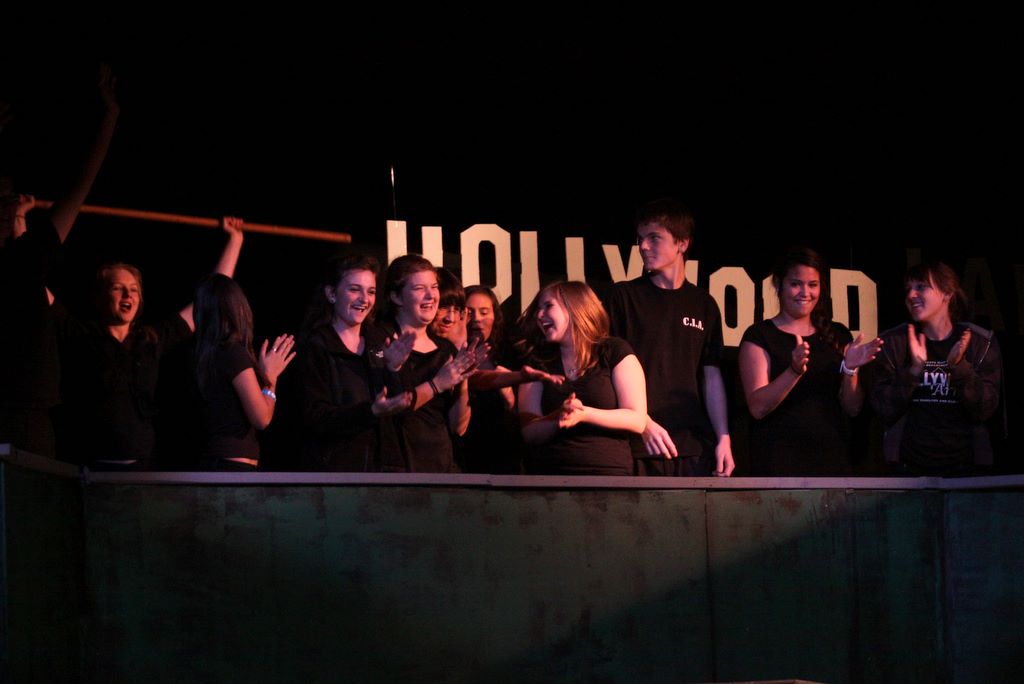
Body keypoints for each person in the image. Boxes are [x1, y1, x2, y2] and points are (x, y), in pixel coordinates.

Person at [54, 218, 245, 469]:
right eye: (117, 288)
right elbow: (31, 275)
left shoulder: (150, 339)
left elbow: (209, 298)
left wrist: (235, 240)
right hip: (93, 468)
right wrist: (18, 220)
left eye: (134, 289)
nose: (128, 294)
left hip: (141, 466)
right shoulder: (80, 334)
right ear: (100, 296)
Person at [0, 65, 119, 457]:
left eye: (9, 196)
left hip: (31, 417)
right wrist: (109, 118)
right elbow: (79, 186)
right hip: (21, 418)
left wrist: (109, 117)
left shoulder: (25, 258)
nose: (8, 204)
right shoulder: (23, 260)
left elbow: (78, 189)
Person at [605, 198, 734, 476]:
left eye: (654, 238)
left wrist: (723, 437)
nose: (643, 246)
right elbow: (606, 370)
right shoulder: (623, 297)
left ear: (682, 243)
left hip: (692, 446)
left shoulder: (704, 304)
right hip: (638, 443)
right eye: (640, 239)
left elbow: (711, 376)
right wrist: (642, 422)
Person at [738, 247, 883, 476]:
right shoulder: (760, 335)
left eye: (812, 285)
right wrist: (794, 371)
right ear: (779, 284)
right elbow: (757, 407)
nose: (805, 292)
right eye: (796, 284)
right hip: (777, 465)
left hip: (832, 463)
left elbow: (853, 408)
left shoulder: (837, 335)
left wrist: (850, 369)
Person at [868, 261, 1002, 476]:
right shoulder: (894, 342)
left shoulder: (979, 342)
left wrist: (959, 367)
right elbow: (883, 408)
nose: (911, 295)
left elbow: (984, 409)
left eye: (921, 287)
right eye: (908, 289)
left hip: (966, 471)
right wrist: (913, 372)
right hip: (908, 471)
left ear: (947, 293)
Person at [286, 254, 411, 471]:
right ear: (331, 294)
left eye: (371, 291)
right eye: (354, 289)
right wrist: (370, 412)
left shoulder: (379, 342)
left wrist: (394, 369)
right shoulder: (315, 346)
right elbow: (316, 417)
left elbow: (399, 410)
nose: (365, 299)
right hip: (336, 473)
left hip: (382, 472)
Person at [518, 281, 647, 475]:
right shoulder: (538, 361)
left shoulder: (614, 351)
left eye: (548, 306)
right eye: (538, 309)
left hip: (609, 475)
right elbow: (529, 433)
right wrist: (558, 417)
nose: (539, 315)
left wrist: (584, 414)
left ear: (574, 307)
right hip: (551, 476)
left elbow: (637, 420)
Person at [376, 255, 476, 472]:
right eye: (420, 288)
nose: (431, 296)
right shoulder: (380, 340)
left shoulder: (445, 349)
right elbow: (395, 407)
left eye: (434, 287)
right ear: (396, 296)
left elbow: (458, 428)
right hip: (399, 467)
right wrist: (437, 383)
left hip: (441, 466)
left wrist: (462, 375)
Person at [193, 274, 295, 470]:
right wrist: (270, 378)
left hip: (215, 461)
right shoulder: (232, 352)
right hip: (231, 466)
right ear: (238, 307)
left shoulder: (206, 354)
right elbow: (261, 418)